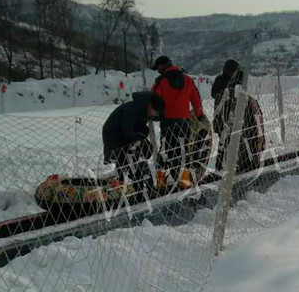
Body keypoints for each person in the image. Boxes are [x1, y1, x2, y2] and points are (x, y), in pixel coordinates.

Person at [150, 56, 204, 186]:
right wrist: (197, 114)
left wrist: (154, 115)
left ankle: (161, 183)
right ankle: (184, 181)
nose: (158, 71)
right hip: (183, 122)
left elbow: (152, 101)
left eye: (158, 68)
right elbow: (197, 101)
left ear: (163, 66)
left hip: (167, 122)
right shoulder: (188, 80)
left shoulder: (160, 82)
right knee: (183, 151)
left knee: (164, 152)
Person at [102, 91, 163, 194]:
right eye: (155, 112)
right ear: (150, 105)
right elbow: (127, 128)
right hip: (114, 136)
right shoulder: (132, 109)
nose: (154, 115)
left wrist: (142, 136)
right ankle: (135, 187)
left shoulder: (142, 110)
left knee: (129, 160)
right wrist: (138, 141)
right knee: (128, 159)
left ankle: (125, 185)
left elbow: (139, 128)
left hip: (125, 137)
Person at [211, 59, 266, 173]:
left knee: (236, 142)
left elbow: (241, 87)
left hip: (232, 117)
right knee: (225, 143)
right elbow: (215, 94)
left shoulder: (233, 80)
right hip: (225, 117)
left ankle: (237, 164)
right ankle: (221, 167)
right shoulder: (222, 81)